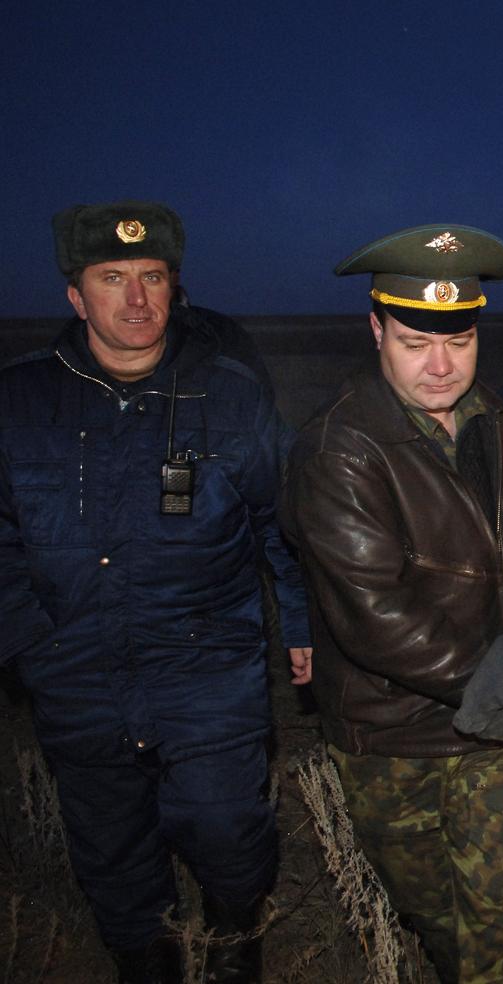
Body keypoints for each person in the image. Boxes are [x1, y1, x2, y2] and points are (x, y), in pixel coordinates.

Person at [0, 200, 311, 983]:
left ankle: (236, 946)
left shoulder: (231, 395)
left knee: (230, 830)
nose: (136, 300)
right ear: (76, 295)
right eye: (113, 278)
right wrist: (31, 645)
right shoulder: (20, 403)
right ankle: (149, 963)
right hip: (76, 673)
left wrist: (302, 625)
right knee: (112, 855)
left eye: (153, 277)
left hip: (207, 667)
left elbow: (286, 524)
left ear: (175, 287)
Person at [282, 224, 503, 984]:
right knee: (438, 915)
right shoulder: (339, 447)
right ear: (375, 329)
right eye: (414, 341)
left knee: (495, 916)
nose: (442, 366)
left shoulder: (496, 421)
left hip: (495, 728)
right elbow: (377, 617)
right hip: (394, 735)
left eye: (461, 340)